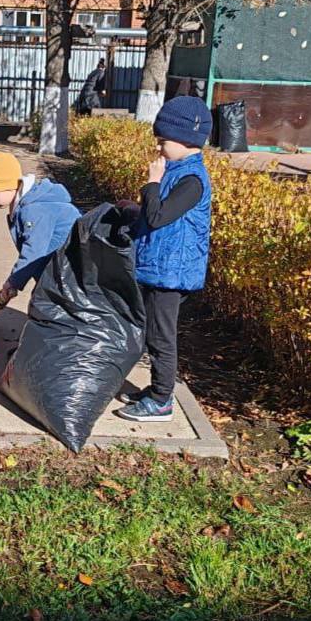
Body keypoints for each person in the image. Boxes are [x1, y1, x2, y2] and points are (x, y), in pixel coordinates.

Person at [116, 95, 212, 423]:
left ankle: (162, 400)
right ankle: (156, 389)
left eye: (163, 142)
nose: (159, 149)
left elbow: (158, 217)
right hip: (157, 267)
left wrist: (151, 184)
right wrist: (134, 209)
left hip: (171, 273)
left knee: (161, 337)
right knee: (149, 333)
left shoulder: (192, 181)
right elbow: (155, 216)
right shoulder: (177, 170)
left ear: (186, 140)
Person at [0, 150, 80, 317]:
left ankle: (44, 337)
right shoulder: (28, 203)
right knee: (44, 301)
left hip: (69, 268)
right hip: (55, 266)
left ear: (9, 185)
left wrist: (13, 282)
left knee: (45, 304)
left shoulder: (33, 210)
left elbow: (33, 252)